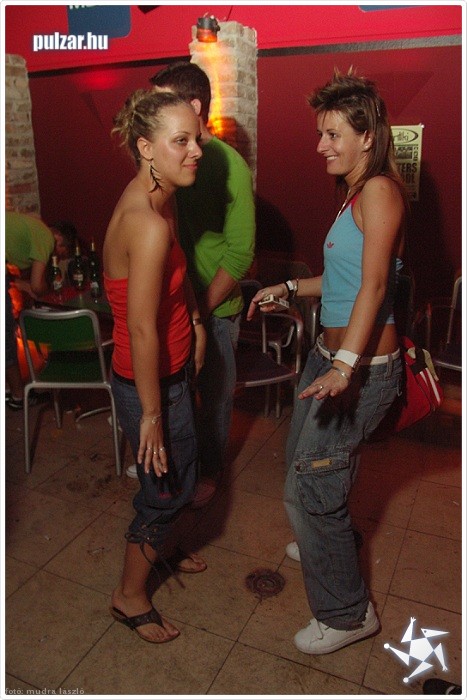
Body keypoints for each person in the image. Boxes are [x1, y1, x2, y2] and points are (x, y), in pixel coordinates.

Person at [248, 68, 406, 655]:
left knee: (314, 481)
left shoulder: (380, 190)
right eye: (321, 132)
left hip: (360, 369)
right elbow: (342, 281)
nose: (321, 145)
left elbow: (374, 287)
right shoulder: (355, 195)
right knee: (305, 466)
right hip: (328, 358)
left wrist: (344, 366)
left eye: (333, 134)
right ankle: (321, 537)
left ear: (368, 137)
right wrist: (289, 289)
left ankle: (347, 614)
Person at [103, 89, 207, 644]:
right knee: (164, 493)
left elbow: (174, 274)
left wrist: (194, 319)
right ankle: (129, 595)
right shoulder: (146, 220)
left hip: (171, 371)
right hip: (151, 384)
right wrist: (150, 415)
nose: (197, 150)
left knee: (181, 474)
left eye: (197, 138)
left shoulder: (161, 198)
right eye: (181, 140)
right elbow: (141, 328)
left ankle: (163, 547)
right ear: (146, 148)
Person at [151, 62, 256, 507]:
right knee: (175, 393)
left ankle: (209, 472)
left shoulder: (229, 166)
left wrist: (201, 312)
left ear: (194, 107)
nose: (154, 110)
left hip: (215, 308)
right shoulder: (169, 158)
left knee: (213, 399)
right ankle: (177, 464)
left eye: (163, 101)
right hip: (179, 303)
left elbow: (240, 254)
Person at [5, 210, 54, 410]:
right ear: (59, 240)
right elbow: (37, 286)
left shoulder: (31, 228)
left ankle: (10, 389)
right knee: (6, 338)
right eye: (62, 252)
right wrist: (43, 289)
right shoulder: (46, 238)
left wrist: (22, 285)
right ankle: (18, 397)